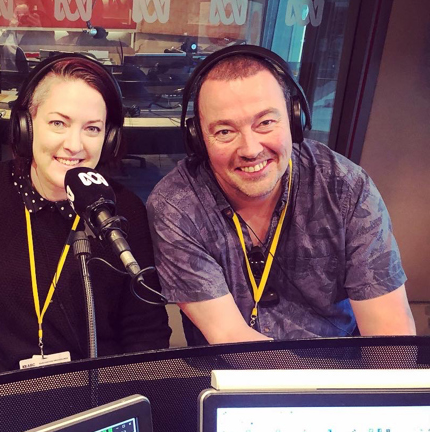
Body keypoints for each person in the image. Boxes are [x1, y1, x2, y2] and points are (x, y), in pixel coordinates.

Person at [0, 54, 171, 382]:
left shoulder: (121, 210)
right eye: (58, 123)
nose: (74, 145)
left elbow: (145, 332)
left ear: (108, 138)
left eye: (92, 129)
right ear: (26, 125)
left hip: (87, 393)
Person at [147, 45, 416, 346]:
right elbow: (228, 337)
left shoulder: (345, 188)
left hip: (339, 377)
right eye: (224, 131)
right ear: (197, 139)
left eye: (265, 122)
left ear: (294, 119)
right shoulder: (177, 204)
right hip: (229, 377)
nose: (250, 149)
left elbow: (390, 335)